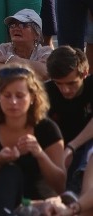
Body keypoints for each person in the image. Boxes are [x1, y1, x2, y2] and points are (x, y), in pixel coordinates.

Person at [0, 65, 66, 214]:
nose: (13, 102)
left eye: (20, 96)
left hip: (41, 204)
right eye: (7, 96)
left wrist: (39, 154)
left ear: (33, 97)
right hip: (3, 202)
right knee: (10, 171)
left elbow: (61, 185)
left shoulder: (47, 129)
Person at [45, 46, 93, 194]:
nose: (65, 89)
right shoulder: (46, 92)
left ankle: (79, 183)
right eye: (59, 83)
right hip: (59, 150)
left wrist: (71, 147)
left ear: (84, 74)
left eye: (71, 83)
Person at [0, 9, 53, 81]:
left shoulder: (45, 51)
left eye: (23, 25)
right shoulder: (3, 48)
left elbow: (45, 72)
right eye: (12, 25)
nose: (16, 29)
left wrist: (10, 59)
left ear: (37, 34)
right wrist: (31, 70)